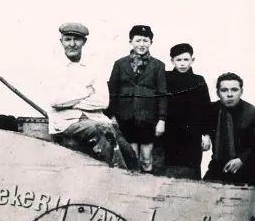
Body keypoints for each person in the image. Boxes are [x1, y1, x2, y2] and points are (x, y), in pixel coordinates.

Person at [47, 22, 138, 170]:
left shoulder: (93, 67)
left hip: (96, 119)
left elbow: (103, 102)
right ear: (61, 41)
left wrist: (70, 101)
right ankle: (120, 178)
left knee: (125, 147)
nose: (72, 44)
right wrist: (86, 92)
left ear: (84, 42)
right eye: (67, 39)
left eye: (77, 39)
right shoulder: (53, 68)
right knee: (102, 130)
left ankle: (137, 180)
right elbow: (55, 100)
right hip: (66, 123)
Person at [108, 25, 167, 173]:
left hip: (148, 118)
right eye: (138, 40)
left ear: (150, 43)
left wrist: (162, 119)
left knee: (146, 159)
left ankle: (147, 187)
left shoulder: (158, 65)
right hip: (126, 117)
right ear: (131, 42)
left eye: (145, 40)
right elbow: (112, 91)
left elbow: (162, 93)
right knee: (131, 157)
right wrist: (112, 115)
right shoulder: (120, 64)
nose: (142, 44)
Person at [160, 43, 212, 179]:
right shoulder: (166, 78)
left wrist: (206, 135)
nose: (182, 64)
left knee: (191, 170)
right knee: (168, 170)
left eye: (186, 60)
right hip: (169, 133)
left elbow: (206, 108)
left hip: (192, 135)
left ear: (192, 60)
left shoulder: (198, 80)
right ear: (172, 61)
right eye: (178, 60)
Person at [203, 72, 255, 185]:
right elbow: (197, 122)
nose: (230, 94)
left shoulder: (252, 113)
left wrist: (242, 159)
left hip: (245, 168)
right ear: (217, 93)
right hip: (218, 166)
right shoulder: (212, 109)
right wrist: (205, 135)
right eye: (224, 90)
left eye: (234, 90)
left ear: (241, 91)